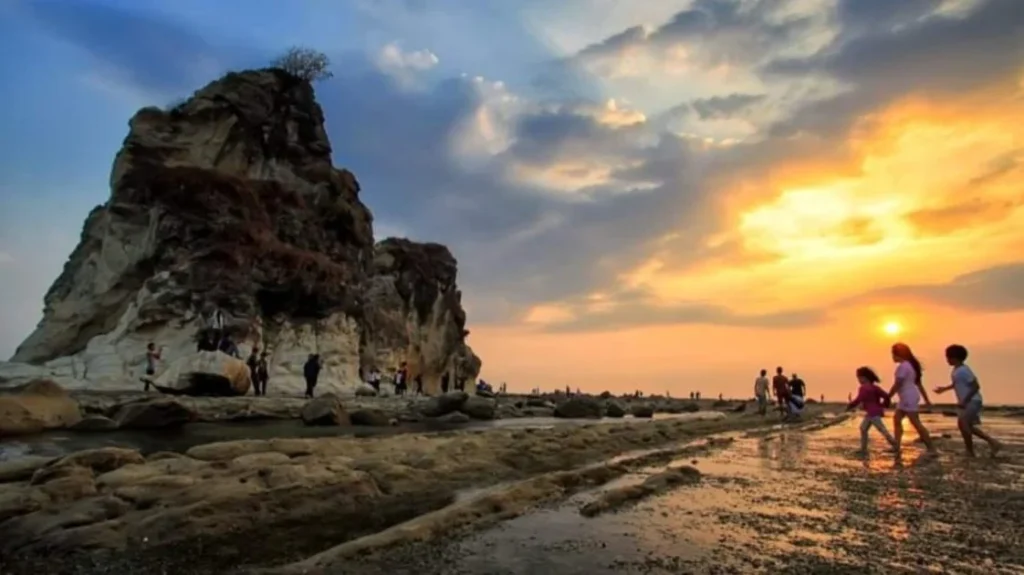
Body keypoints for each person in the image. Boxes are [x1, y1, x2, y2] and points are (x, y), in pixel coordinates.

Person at [933, 344, 1002, 457]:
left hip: (972, 401)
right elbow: (957, 384)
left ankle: (970, 451)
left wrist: (965, 400)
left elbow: (975, 386)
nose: (947, 360)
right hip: (969, 401)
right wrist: (944, 389)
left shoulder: (964, 370)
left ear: (955, 358)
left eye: (948, 357)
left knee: (963, 423)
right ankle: (993, 443)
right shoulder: (956, 370)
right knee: (967, 426)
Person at [887, 342, 936, 453]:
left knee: (915, 422)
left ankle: (932, 448)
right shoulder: (911, 366)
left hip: (908, 398)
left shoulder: (903, 367)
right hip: (908, 397)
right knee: (897, 419)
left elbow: (897, 384)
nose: (892, 357)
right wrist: (927, 399)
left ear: (898, 354)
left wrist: (888, 396)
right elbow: (919, 385)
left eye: (893, 354)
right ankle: (897, 446)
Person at [847, 367, 899, 455]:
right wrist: (884, 405)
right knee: (863, 428)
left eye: (859, 378)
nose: (858, 380)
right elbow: (886, 396)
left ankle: (895, 445)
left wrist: (850, 406)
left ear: (864, 377)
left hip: (873, 413)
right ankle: (863, 449)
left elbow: (858, 399)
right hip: (874, 412)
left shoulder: (863, 388)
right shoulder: (875, 387)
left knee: (882, 429)